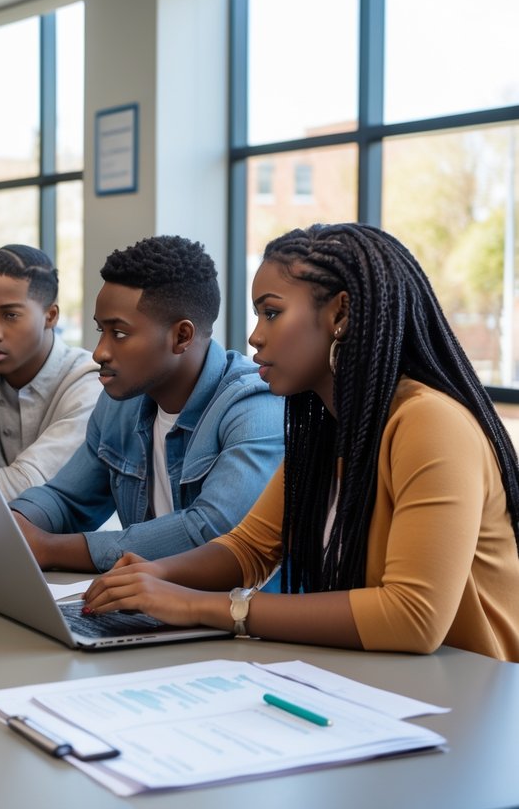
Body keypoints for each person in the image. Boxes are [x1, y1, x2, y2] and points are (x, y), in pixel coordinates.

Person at [83, 223, 519, 662]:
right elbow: (249, 548)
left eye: (271, 313)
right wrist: (153, 578)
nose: (255, 336)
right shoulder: (328, 427)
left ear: (340, 315)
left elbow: (412, 616)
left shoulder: (429, 422)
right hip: (381, 684)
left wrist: (202, 605)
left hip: (470, 699)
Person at [7, 235, 285, 572]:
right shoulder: (119, 404)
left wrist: (50, 548)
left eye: (119, 334)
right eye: (100, 331)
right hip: (148, 611)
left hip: (237, 618)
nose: (100, 352)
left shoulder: (255, 406)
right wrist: (10, 525)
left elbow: (212, 531)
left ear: (181, 336)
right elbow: (66, 499)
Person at [0, 244, 100, 499]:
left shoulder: (88, 385)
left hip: (76, 538)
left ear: (50, 316)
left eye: (10, 315)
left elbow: (30, 484)